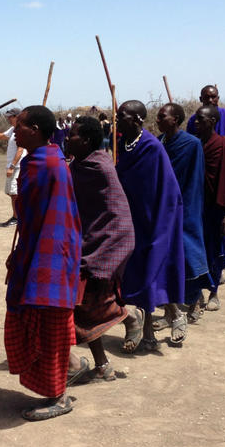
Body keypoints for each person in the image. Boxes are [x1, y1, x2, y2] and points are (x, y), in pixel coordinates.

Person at [5, 105, 82, 420]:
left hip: (50, 253)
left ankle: (59, 396)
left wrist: (30, 253)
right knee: (34, 319)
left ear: (34, 129)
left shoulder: (48, 165)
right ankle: (71, 369)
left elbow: (51, 219)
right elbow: (31, 216)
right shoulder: (40, 160)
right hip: (38, 249)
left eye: (20, 125)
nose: (15, 130)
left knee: (48, 324)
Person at [66, 116, 135, 378]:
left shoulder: (95, 166)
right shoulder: (84, 162)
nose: (67, 138)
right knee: (82, 303)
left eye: (72, 134)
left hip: (107, 241)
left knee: (85, 302)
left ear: (85, 140)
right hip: (92, 239)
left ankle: (128, 317)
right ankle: (103, 365)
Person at [115, 100, 186, 352]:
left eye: (121, 116)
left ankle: (164, 321)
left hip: (156, 219)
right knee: (138, 274)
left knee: (151, 271)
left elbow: (165, 191)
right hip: (133, 219)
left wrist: (160, 225)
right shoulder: (123, 145)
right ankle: (147, 329)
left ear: (136, 120)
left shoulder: (152, 147)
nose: (116, 119)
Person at [156, 103, 212, 326]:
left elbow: (195, 179)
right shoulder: (159, 142)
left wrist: (186, 208)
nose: (158, 120)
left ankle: (195, 299)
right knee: (166, 258)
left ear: (176, 119)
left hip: (186, 207)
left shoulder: (192, 144)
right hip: (162, 207)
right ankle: (170, 312)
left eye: (162, 117)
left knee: (188, 255)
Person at [193, 106, 225, 311]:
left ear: (212, 121)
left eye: (200, 120)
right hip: (195, 208)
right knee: (196, 251)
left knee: (215, 251)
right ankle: (195, 293)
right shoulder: (193, 144)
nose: (196, 123)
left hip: (217, 208)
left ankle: (214, 292)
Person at [0, 108, 26, 226]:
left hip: (17, 166)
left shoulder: (21, 130)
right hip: (12, 165)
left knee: (14, 193)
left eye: (10, 116)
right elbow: (0, 136)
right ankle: (18, 215)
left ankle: (16, 217)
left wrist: (12, 166)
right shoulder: (13, 129)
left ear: (17, 116)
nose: (8, 118)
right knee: (10, 192)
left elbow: (20, 149)